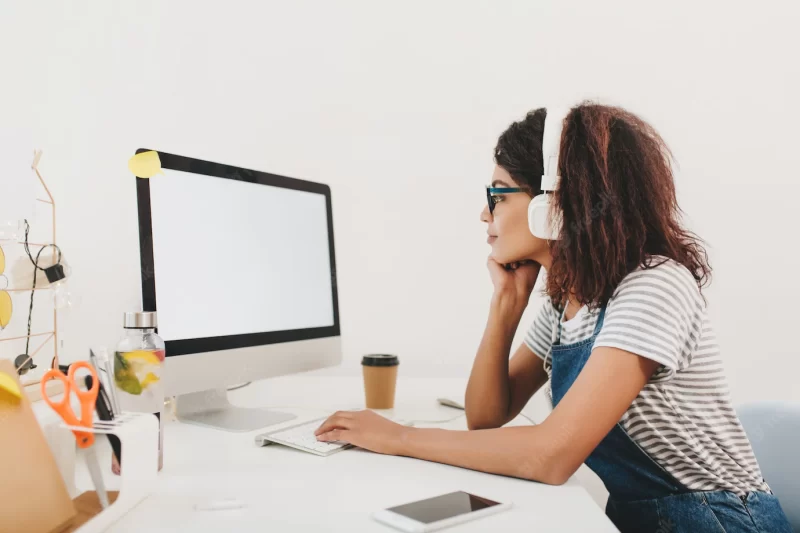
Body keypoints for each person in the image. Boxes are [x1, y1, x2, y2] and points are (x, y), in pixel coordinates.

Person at [314, 103, 792, 532]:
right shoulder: (567, 297)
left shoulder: (653, 284)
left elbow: (551, 455)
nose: (485, 214)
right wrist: (505, 307)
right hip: (641, 519)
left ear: (554, 203)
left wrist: (400, 437)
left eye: (498, 194)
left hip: (719, 521)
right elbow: (485, 417)